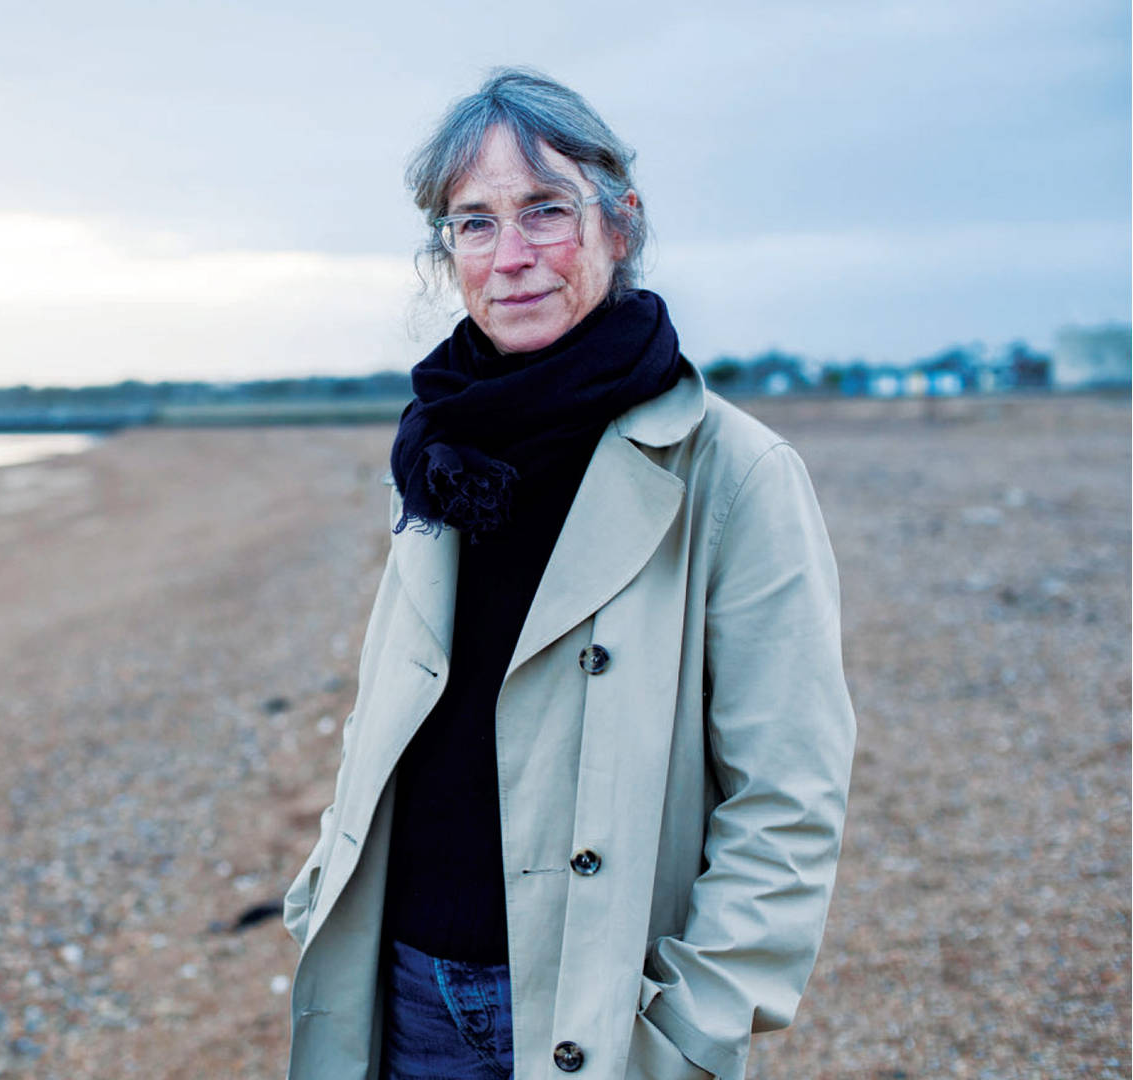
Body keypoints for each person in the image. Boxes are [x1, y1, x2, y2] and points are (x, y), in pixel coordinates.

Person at [282, 68, 856, 1080]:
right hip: (407, 984)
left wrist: (691, 1024)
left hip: (600, 1003)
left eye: (546, 211)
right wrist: (324, 879)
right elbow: (395, 702)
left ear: (620, 225)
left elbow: (789, 796)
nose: (511, 258)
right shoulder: (436, 450)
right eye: (474, 223)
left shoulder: (735, 471)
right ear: (445, 251)